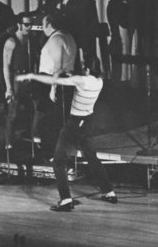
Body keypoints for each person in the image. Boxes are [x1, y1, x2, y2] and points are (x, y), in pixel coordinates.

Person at [16, 58, 117, 211]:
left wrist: (31, 75)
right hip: (88, 123)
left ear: (87, 70)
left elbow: (53, 80)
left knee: (58, 161)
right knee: (92, 157)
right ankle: (109, 192)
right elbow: (77, 78)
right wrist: (68, 74)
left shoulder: (81, 80)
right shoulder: (99, 81)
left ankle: (65, 200)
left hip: (75, 124)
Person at [2, 12, 41, 181]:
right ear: (19, 24)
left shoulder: (31, 41)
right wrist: (9, 88)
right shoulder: (11, 42)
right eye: (26, 24)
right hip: (16, 78)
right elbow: (6, 66)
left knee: (35, 110)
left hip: (29, 77)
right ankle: (8, 143)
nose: (29, 27)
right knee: (13, 113)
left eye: (30, 24)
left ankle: (34, 141)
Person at [38, 12, 77, 158]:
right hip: (65, 81)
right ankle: (59, 152)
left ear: (49, 24)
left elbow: (58, 66)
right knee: (60, 118)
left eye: (43, 24)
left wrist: (52, 89)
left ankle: (50, 153)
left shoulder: (56, 39)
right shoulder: (68, 36)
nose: (42, 27)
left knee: (51, 120)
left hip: (54, 81)